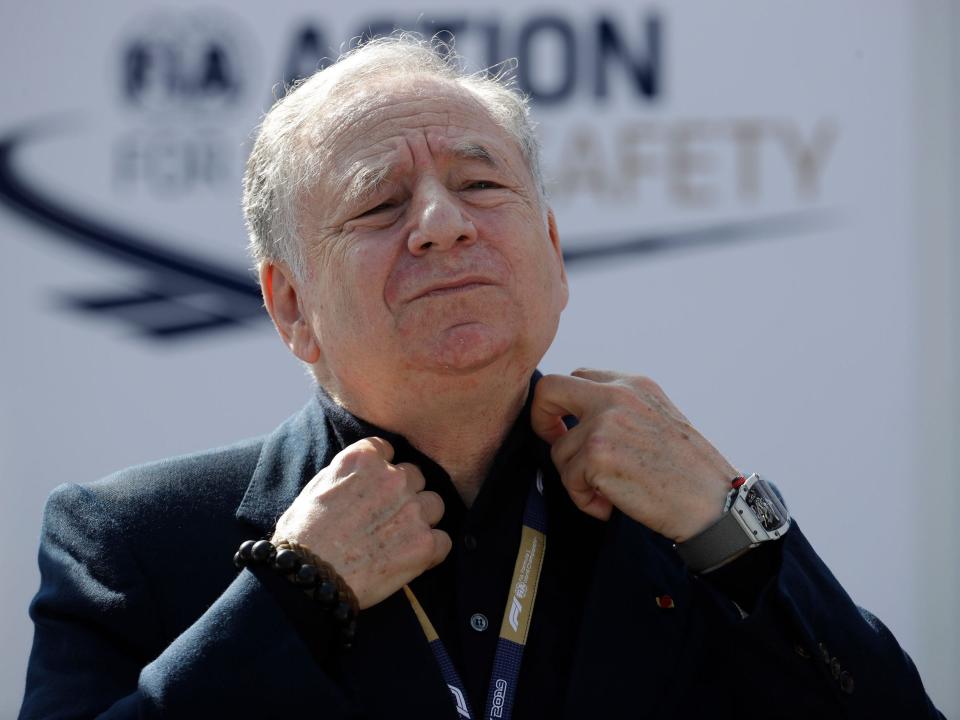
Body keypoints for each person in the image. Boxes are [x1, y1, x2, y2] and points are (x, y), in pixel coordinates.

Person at [19, 35, 943, 720]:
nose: (442, 224)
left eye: (484, 187)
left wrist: (736, 531)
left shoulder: (681, 526)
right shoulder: (134, 543)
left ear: (550, 249)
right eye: (381, 203)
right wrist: (289, 601)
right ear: (290, 305)